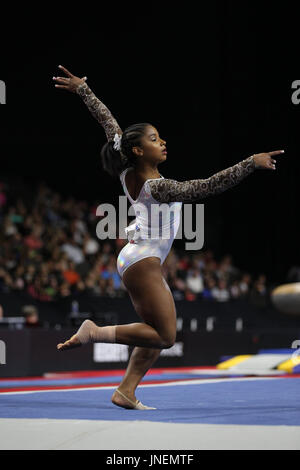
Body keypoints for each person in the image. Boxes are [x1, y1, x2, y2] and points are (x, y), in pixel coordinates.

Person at [53, 65, 284, 410]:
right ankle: (94, 331)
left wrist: (84, 90)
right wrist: (250, 162)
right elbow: (207, 186)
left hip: (140, 257)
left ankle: (126, 390)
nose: (162, 142)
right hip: (142, 259)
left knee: (154, 331)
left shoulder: (128, 170)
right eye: (154, 139)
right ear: (137, 150)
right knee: (165, 335)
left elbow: (108, 123)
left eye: (160, 137)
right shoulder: (157, 187)